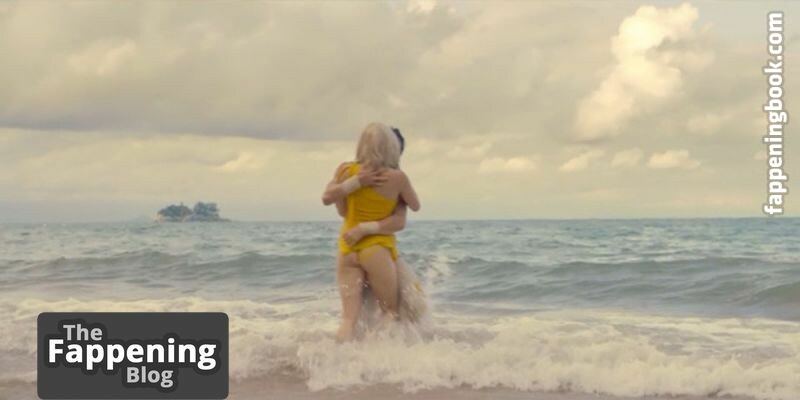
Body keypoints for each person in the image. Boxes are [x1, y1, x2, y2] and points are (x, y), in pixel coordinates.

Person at [321, 122, 421, 341]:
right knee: (390, 312)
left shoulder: (345, 171)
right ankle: (379, 356)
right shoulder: (397, 177)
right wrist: (399, 196)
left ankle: (336, 356)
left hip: (347, 248)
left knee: (348, 319)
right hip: (376, 250)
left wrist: (356, 182)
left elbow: (329, 199)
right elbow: (415, 206)